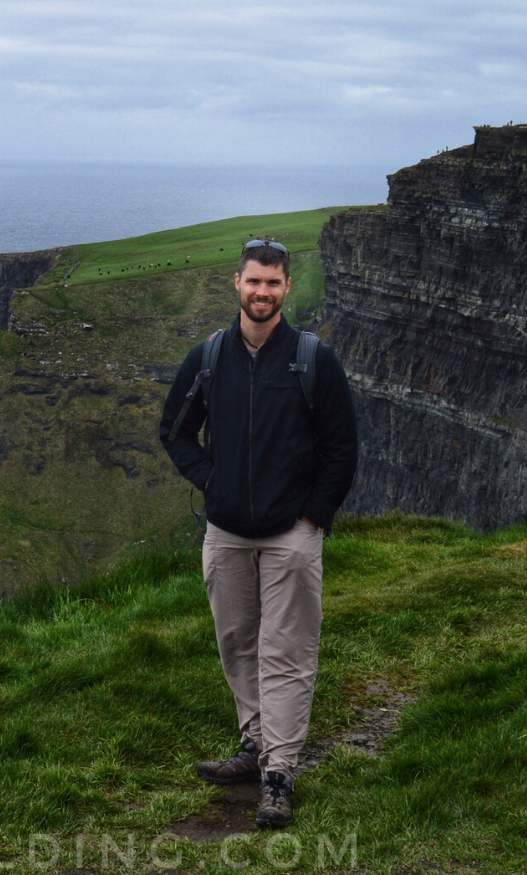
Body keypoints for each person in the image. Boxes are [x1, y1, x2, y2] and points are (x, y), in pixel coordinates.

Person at [157, 239, 358, 828]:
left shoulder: (313, 360)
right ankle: (254, 745)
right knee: (237, 642)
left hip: (291, 533)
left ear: (287, 288)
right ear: (236, 284)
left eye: (273, 283)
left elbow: (342, 447)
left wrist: (314, 514)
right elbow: (175, 431)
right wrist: (212, 484)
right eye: (253, 282)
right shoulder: (209, 357)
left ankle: (278, 771)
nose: (262, 293)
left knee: (287, 651)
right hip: (226, 531)